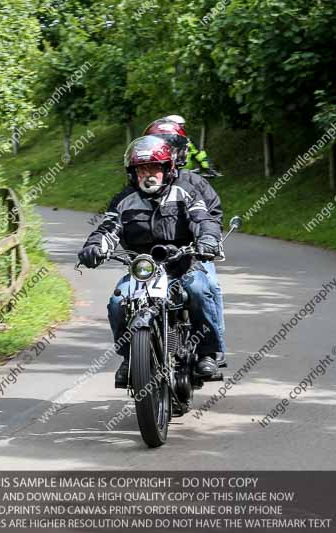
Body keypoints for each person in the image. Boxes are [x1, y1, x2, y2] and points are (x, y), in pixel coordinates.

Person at [77, 136, 225, 387]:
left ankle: (206, 353)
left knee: (199, 290)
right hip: (142, 270)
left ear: (168, 169)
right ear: (133, 173)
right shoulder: (124, 200)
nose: (149, 174)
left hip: (183, 264)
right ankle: (130, 358)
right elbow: (109, 228)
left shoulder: (184, 192)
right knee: (117, 303)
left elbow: (203, 219)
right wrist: (94, 247)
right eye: (142, 169)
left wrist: (207, 240)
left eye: (155, 168)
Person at [142, 117, 227, 366]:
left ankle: (212, 349)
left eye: (171, 145)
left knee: (207, 286)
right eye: (161, 144)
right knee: (128, 298)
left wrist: (206, 241)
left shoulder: (193, 181)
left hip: (192, 254)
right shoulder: (143, 180)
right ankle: (136, 354)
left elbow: (211, 215)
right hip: (152, 258)